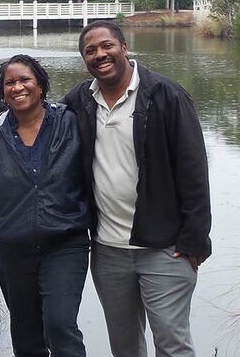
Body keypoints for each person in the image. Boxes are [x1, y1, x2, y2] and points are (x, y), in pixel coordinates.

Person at [62, 20, 211, 356]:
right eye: (90, 50)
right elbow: (40, 121)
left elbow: (194, 173)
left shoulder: (166, 96)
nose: (100, 54)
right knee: (125, 346)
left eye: (106, 46)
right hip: (108, 251)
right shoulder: (79, 101)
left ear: (124, 48)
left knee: (172, 344)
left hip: (165, 249)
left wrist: (194, 241)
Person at [0, 54, 91, 356]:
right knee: (25, 331)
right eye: (10, 83)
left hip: (65, 240)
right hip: (13, 244)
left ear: (41, 86)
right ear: (2, 92)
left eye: (25, 80)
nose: (17, 87)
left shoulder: (69, 121)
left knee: (59, 325)